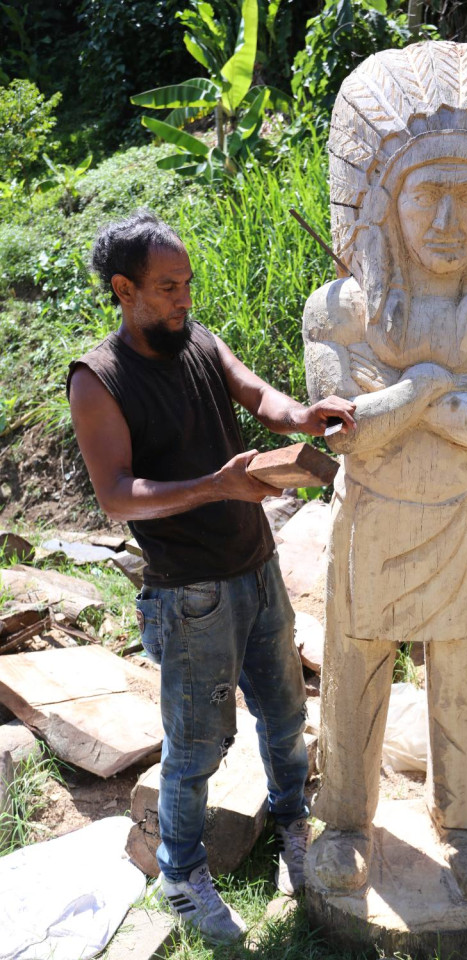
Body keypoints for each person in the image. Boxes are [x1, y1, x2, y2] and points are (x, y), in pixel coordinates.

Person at [67, 208, 356, 943]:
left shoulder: (197, 341)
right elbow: (116, 495)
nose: (184, 298)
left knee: (287, 718)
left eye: (187, 283)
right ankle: (182, 872)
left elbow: (260, 397)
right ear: (124, 289)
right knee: (197, 747)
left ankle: (292, 825)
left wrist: (303, 417)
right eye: (167, 287)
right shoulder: (98, 380)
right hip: (188, 593)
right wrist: (215, 487)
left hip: (256, 569)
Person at [303, 41, 467, 896]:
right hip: (371, 516)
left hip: (464, 519)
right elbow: (344, 435)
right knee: (354, 669)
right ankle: (341, 820)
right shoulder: (340, 312)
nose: (447, 226)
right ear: (382, 205)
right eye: (425, 195)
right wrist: (442, 391)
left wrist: (407, 394)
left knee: (462, 672)